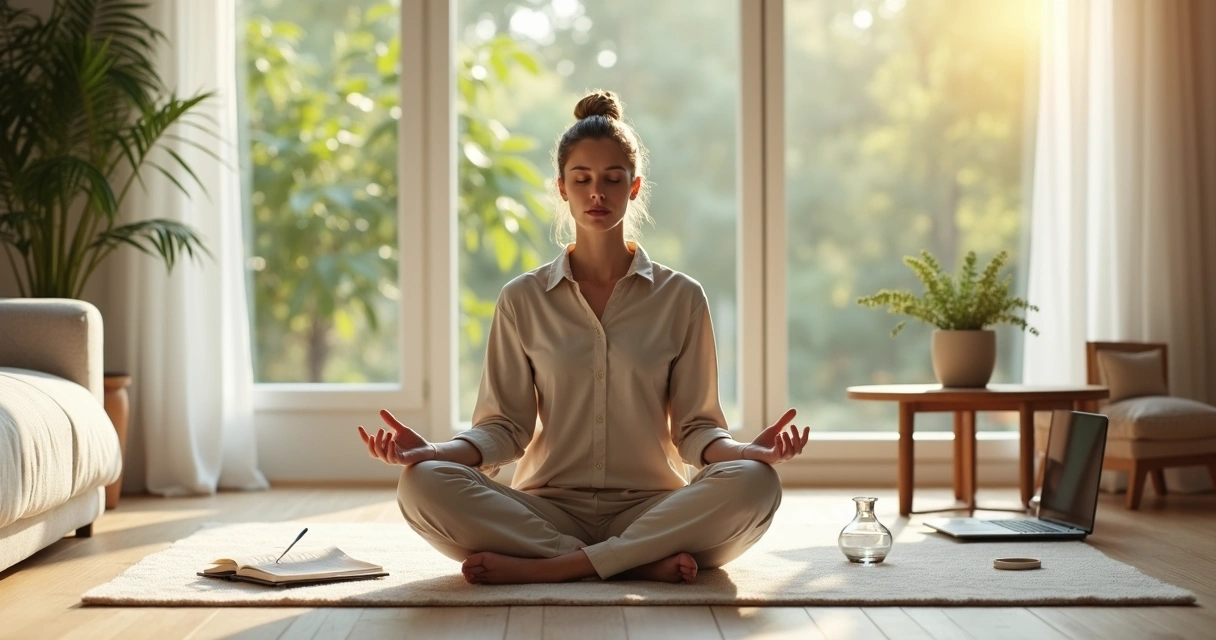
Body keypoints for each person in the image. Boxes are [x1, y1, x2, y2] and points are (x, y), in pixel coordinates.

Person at [357, 90, 810, 585]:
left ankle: (562, 567)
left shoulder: (682, 298)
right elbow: (504, 428)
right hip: (545, 512)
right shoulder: (522, 299)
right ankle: (631, 563)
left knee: (755, 484)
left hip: (652, 509)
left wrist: (748, 453)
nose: (598, 193)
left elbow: (695, 431)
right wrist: (434, 453)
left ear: (634, 187)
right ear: (562, 188)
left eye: (613, 179)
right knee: (421, 485)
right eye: (583, 179)